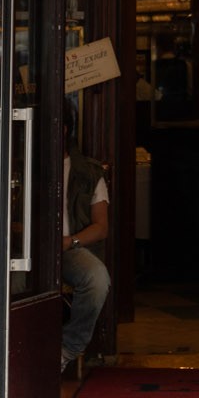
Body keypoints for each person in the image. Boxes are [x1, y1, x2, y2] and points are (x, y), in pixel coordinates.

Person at [61, 137, 110, 374]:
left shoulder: (89, 171)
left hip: (70, 248)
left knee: (97, 279)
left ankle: (67, 349)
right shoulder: (24, 162)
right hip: (28, 247)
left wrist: (70, 241)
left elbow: (101, 227)